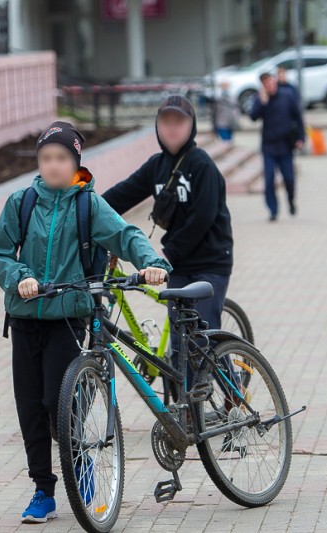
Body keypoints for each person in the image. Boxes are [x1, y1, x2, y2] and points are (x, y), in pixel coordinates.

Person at [0, 120, 171, 524]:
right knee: (29, 409)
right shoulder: (22, 202)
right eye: (46, 158)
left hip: (68, 318)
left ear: (75, 161)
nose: (52, 166)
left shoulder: (89, 205)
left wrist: (152, 263)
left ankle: (82, 467)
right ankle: (42, 491)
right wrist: (20, 278)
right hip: (23, 318)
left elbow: (125, 236)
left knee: (60, 402)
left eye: (61, 158)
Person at [102, 96, 234, 380]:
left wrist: (166, 255)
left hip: (210, 263)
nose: (172, 129)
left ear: (192, 126)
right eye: (166, 122)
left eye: (179, 122)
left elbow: (203, 218)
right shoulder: (157, 165)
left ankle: (232, 400)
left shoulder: (202, 165)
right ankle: (186, 413)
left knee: (200, 339)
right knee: (179, 343)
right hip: (179, 266)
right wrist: (86, 213)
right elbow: (121, 195)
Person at [250, 72, 305, 222]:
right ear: (263, 85)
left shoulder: (287, 96)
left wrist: (301, 138)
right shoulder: (260, 99)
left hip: (286, 145)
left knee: (289, 179)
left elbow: (298, 117)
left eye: (271, 82)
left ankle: (291, 201)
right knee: (269, 180)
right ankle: (273, 210)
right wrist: (262, 102)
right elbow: (253, 117)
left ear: (274, 81)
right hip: (268, 147)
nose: (270, 85)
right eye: (266, 83)